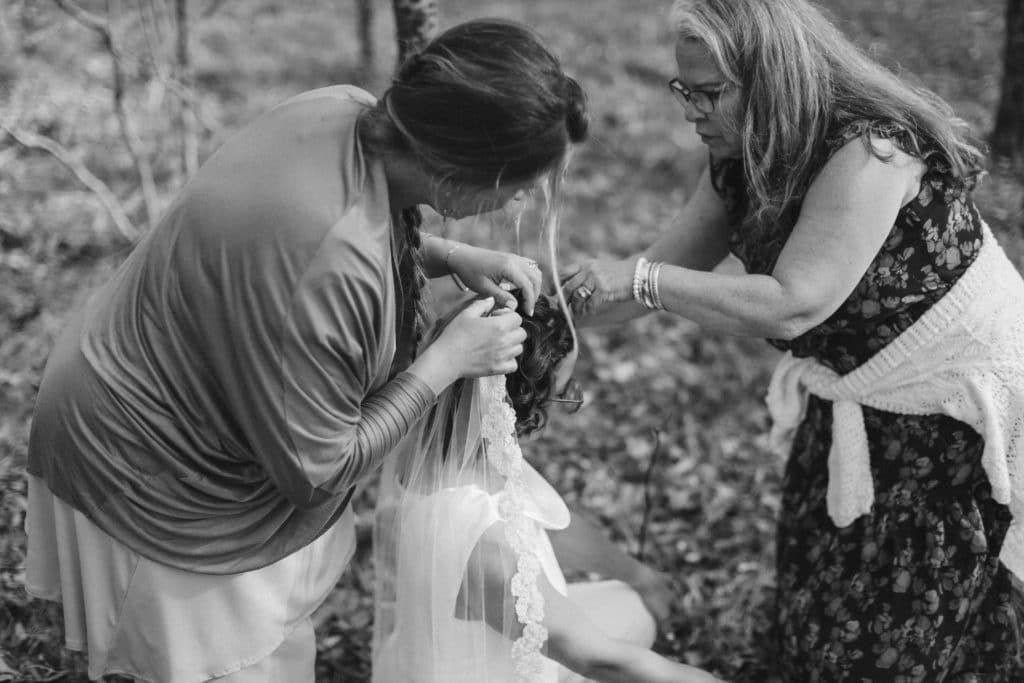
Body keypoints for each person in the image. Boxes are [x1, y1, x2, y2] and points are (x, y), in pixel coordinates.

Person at [23, 19, 588, 683]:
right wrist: (446, 360)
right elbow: (319, 467)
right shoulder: (328, 257)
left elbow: (324, 247)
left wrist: (451, 254)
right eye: (521, 183)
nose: (521, 199)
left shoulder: (345, 109)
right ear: (467, 169)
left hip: (129, 377)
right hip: (152, 455)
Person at [563, 0, 1024, 679]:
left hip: (946, 420)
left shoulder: (870, 150)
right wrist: (549, 318)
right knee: (819, 599)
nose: (691, 110)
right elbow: (659, 274)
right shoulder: (739, 155)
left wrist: (639, 280)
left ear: (772, 79)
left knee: (900, 634)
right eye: (683, 90)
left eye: (710, 93)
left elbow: (791, 305)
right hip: (851, 393)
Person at [372, 292, 723, 683]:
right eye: (561, 391)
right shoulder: (482, 543)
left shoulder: (451, 449)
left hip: (447, 644)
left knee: (632, 606)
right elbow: (597, 659)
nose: (562, 405)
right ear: (522, 406)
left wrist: (637, 574)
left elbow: (549, 525)